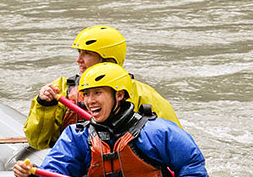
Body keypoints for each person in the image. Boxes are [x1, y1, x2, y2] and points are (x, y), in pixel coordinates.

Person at [13, 62, 206, 177]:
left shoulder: (157, 131)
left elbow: (193, 165)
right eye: (86, 94)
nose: (90, 101)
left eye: (97, 93)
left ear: (119, 95)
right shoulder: (78, 135)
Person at [24, 25, 180, 150]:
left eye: (87, 54)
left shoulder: (143, 95)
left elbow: (177, 144)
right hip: (77, 166)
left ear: (107, 58)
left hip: (126, 169)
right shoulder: (61, 89)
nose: (79, 60)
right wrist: (45, 105)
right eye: (79, 53)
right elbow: (36, 141)